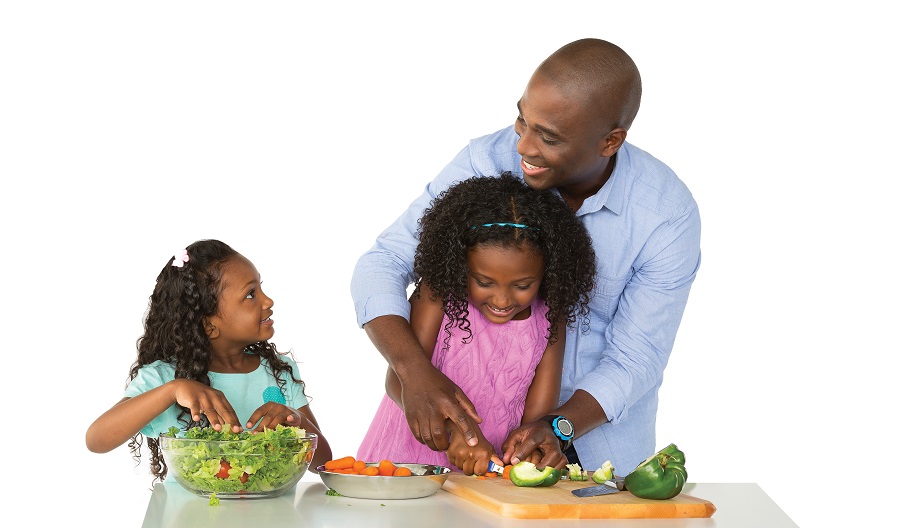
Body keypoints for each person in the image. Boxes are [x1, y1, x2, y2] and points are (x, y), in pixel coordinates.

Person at [350, 38, 701, 476]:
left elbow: (638, 355)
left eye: (549, 137)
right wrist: (413, 371)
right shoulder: (485, 160)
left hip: (600, 453)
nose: (523, 147)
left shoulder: (665, 213)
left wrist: (560, 426)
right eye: (522, 119)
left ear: (610, 141)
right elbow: (383, 262)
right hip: (456, 450)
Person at [357, 173, 596, 475]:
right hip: (400, 468)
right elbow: (399, 380)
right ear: (461, 264)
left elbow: (535, 419)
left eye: (523, 285)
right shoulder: (438, 294)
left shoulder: (550, 318)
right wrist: (457, 434)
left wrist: (528, 450)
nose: (502, 298)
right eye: (484, 282)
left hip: (484, 479)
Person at [86, 239, 333, 481]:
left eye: (260, 289)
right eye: (250, 294)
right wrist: (172, 391)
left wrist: (295, 420)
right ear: (208, 324)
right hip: (189, 518)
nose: (268, 301)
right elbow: (96, 439)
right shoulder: (164, 378)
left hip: (272, 516)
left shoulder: (278, 371)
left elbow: (322, 462)